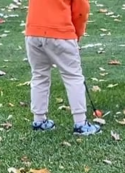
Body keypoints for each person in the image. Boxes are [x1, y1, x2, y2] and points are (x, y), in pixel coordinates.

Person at [25, 0, 100, 136]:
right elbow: (81, 10)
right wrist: (77, 33)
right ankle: (80, 123)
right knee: (73, 76)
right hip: (61, 32)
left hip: (33, 32)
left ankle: (39, 120)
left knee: (39, 75)